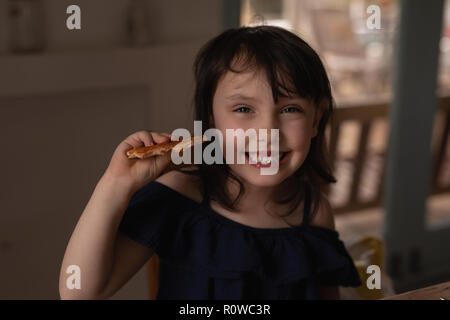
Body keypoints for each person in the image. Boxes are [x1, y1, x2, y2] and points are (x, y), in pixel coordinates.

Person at [59, 25, 362, 300]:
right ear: (212, 120)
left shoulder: (314, 211)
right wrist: (115, 184)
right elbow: (78, 293)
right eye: (244, 108)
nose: (267, 133)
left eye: (290, 108)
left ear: (316, 119)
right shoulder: (178, 195)